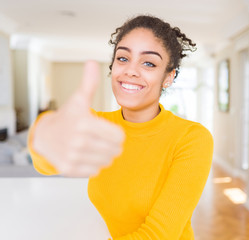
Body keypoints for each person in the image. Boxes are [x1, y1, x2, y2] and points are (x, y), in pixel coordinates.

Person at [28, 15, 214, 240]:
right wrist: (42, 135)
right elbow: (46, 165)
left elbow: (159, 235)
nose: (131, 70)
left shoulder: (191, 138)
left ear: (168, 77)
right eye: (123, 58)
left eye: (149, 63)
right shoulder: (98, 125)